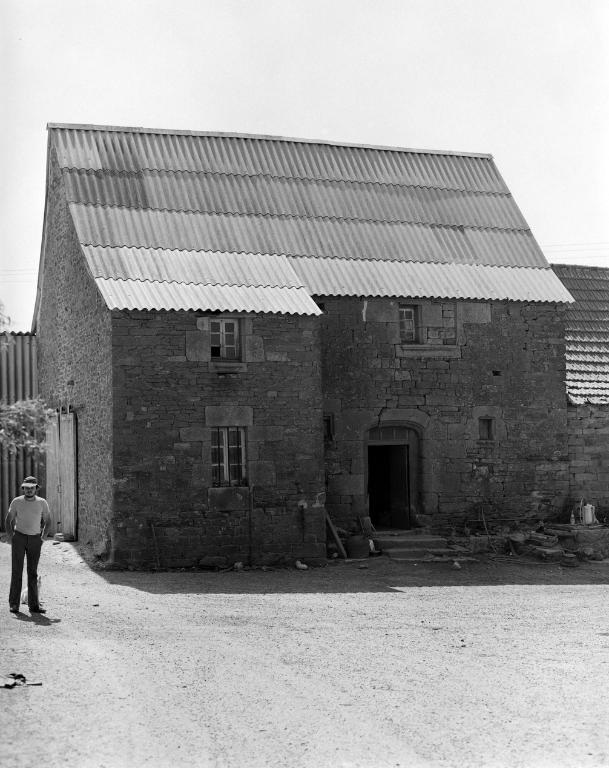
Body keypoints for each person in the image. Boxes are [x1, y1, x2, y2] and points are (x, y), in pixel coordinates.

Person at [6, 476, 52, 614]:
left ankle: (34, 606)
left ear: (36, 488)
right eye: (26, 488)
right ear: (23, 488)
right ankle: (14, 604)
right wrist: (12, 537)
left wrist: (43, 538)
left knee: (32, 573)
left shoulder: (42, 502)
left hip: (35, 539)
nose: (29, 490)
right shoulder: (16, 501)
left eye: (32, 488)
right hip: (19, 538)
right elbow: (8, 520)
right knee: (17, 571)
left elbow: (48, 521)